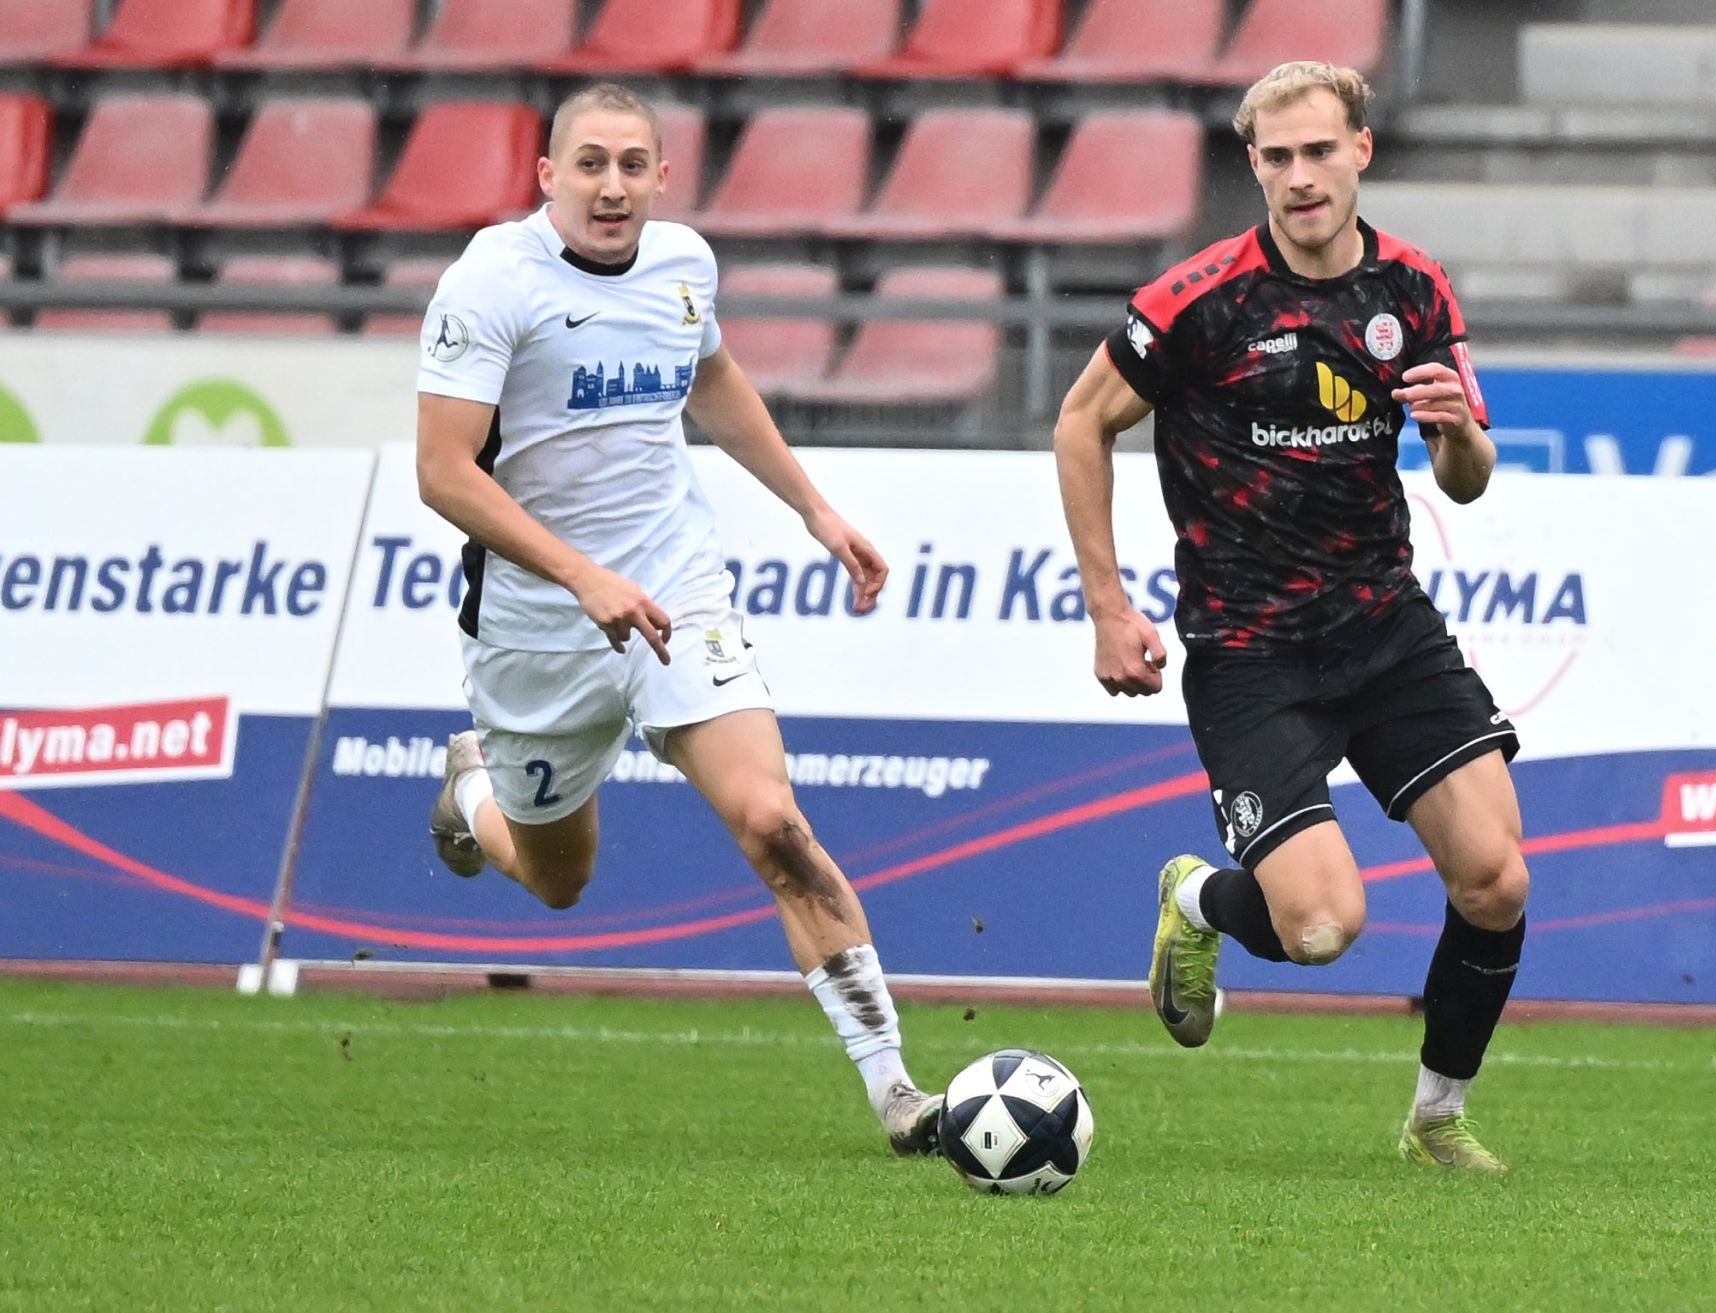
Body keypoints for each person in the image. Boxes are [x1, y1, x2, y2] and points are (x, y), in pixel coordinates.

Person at [414, 82, 940, 1156]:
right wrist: (579, 576)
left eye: (632, 165)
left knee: (772, 820)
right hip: (537, 620)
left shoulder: (685, 265)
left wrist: (815, 509)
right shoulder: (491, 281)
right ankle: (473, 788)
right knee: (559, 881)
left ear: (662, 176)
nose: (612, 187)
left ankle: (897, 1089)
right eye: (590, 164)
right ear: (548, 175)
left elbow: (714, 378)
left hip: (676, 587)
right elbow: (442, 472)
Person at [1052, 61, 1529, 1172]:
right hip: (1249, 650)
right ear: (1254, 165)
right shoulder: (1198, 300)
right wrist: (1107, 605)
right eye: (1279, 157)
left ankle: (1437, 1117)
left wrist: (1459, 432)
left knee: (1496, 878)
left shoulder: (1415, 289)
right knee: (1320, 928)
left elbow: (1466, 481)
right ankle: (1200, 899)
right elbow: (1081, 423)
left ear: (1362, 148)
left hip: (1384, 626)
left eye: (1321, 150)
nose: (1302, 176)